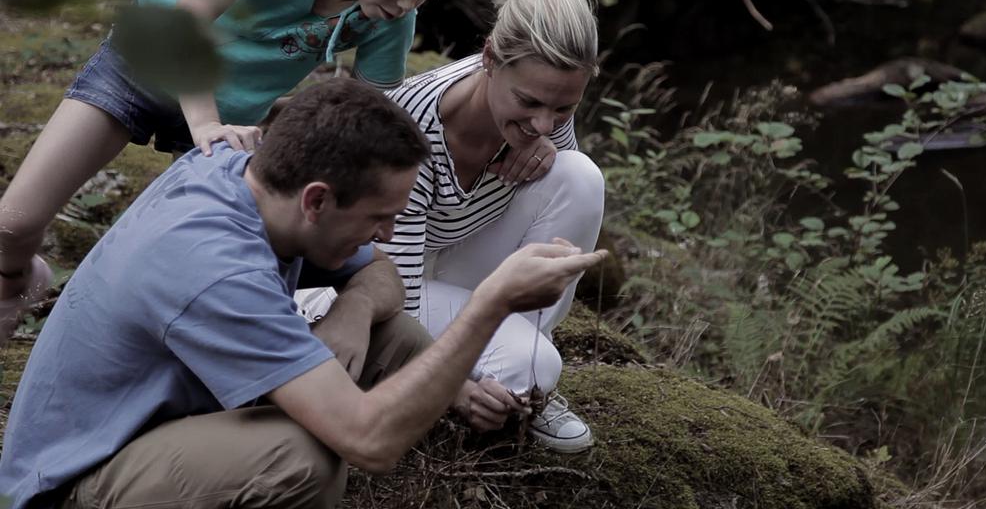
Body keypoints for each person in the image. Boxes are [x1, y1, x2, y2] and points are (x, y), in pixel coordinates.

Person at [0, 79, 607, 509]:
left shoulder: (249, 172)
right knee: (295, 460)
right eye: (380, 217)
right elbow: (368, 442)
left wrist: (354, 308)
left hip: (170, 420)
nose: (389, 235)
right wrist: (489, 303)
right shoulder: (212, 271)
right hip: (79, 475)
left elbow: (384, 278)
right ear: (317, 199)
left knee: (392, 334)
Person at [0, 0, 470, 342]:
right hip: (144, 68)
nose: (409, 4)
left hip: (230, 117)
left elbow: (369, 114)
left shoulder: (388, 20)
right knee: (14, 223)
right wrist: (204, 124)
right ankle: (16, 278)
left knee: (188, 261)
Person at [296, 0, 605, 453]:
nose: (545, 124)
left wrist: (545, 138)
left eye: (564, 107)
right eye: (530, 103)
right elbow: (393, 292)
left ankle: (512, 373)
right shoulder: (414, 129)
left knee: (579, 175)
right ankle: (502, 376)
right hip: (368, 284)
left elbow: (558, 177)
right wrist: (454, 389)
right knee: (534, 365)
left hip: (440, 261)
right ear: (489, 60)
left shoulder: (544, 109)